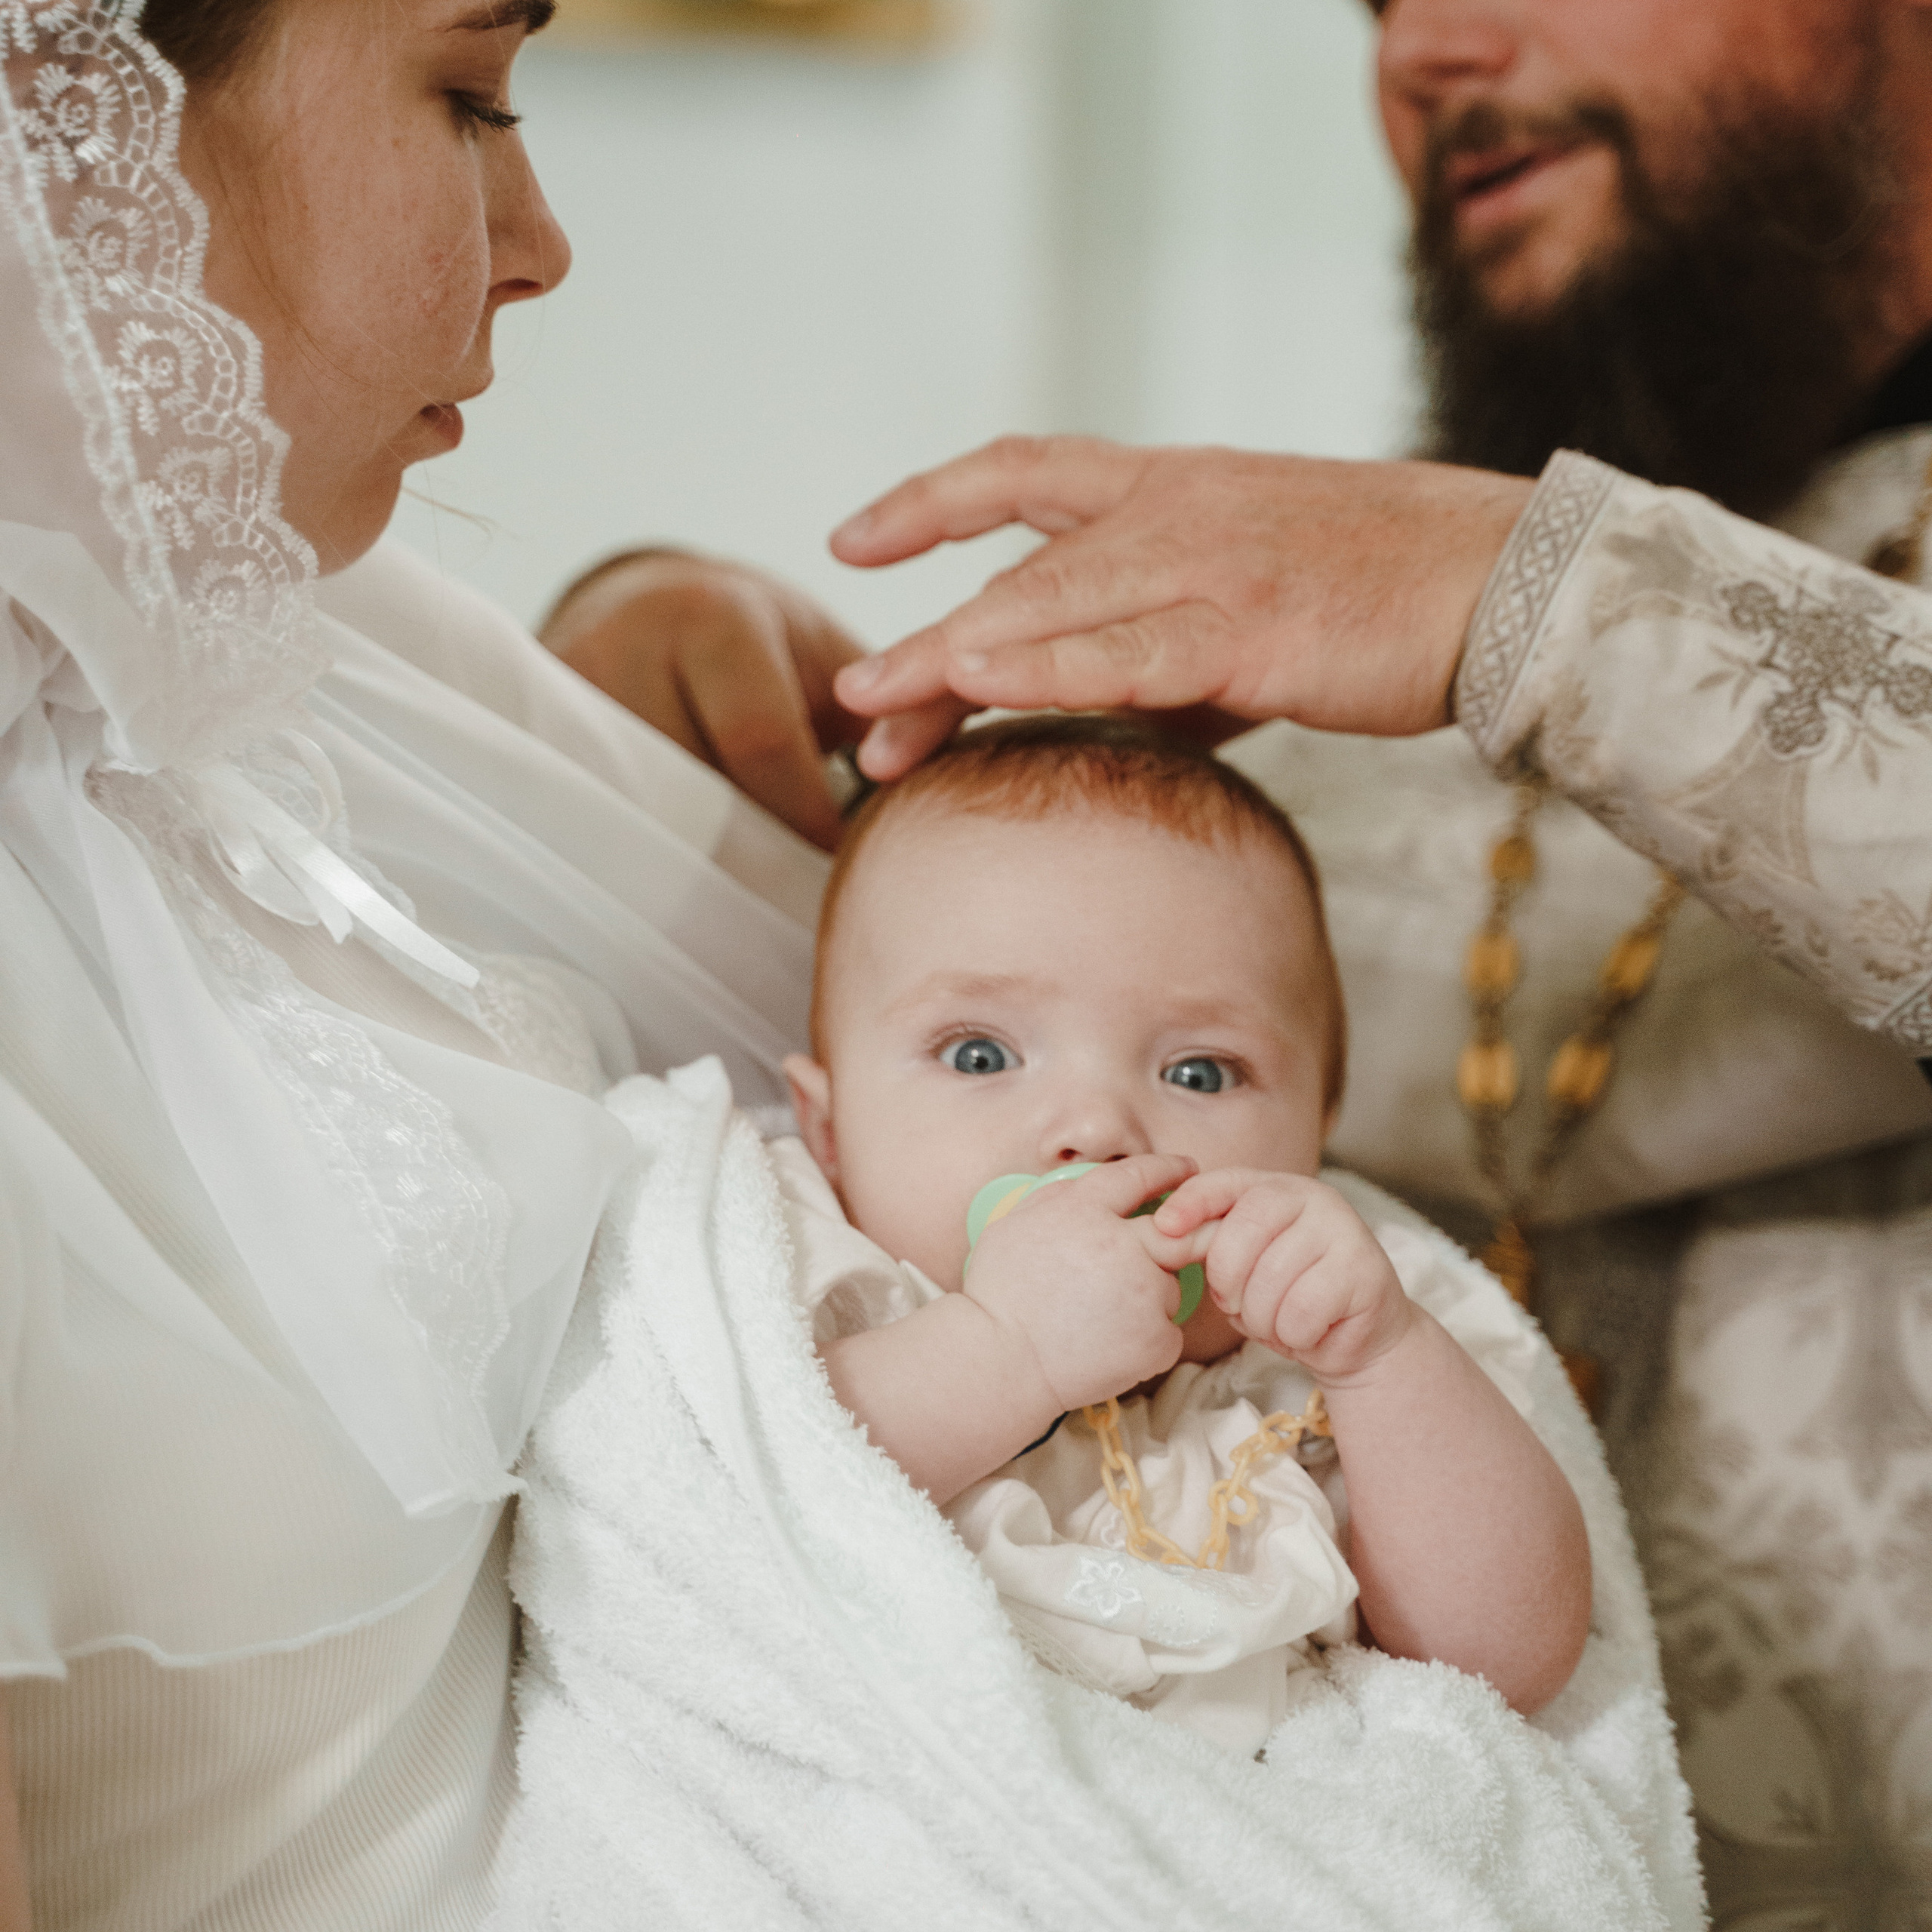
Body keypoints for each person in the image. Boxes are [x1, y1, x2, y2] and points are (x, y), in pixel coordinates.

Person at [540, 0, 1932, 1908]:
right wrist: (651, 670)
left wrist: (1523, 593)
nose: (1425, 46)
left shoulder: (1457, 581)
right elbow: (942, 994)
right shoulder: (1329, 661)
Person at [0, 1, 822, 1926]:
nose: (537, 240)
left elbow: (980, 1048)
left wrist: (641, 634)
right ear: (66, 115)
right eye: (468, 94)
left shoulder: (261, 633)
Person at [773, 715, 1588, 1755]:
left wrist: (1383, 1360)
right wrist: (1004, 1348)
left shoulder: (1324, 1349)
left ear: (1317, 1137)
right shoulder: (816, 1287)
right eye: (979, 1054)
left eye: (1198, 1073)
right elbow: (731, 1505)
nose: (1096, 1128)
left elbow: (1507, 1667)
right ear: (828, 1131)